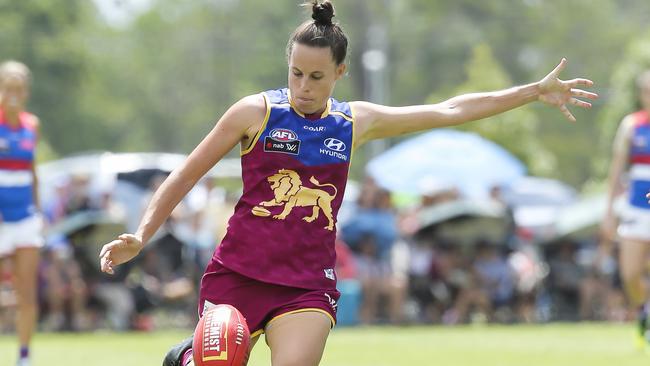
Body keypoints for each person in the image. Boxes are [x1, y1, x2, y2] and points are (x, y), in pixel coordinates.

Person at [99, 1, 597, 365]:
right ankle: (187, 357)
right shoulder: (255, 112)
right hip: (238, 274)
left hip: (307, 284)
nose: (304, 87)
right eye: (296, 73)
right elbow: (185, 176)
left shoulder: (355, 122)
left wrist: (533, 91)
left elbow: (450, 109)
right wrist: (141, 235)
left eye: (317, 76)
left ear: (339, 71)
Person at [0, 60, 43, 366]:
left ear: (25, 91)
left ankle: (23, 357)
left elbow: (32, 171)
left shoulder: (32, 125)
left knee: (26, 291)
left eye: (18, 87)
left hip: (25, 218)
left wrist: (39, 212)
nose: (13, 92)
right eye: (7, 85)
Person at [604, 70, 650, 348]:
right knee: (630, 274)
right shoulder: (632, 125)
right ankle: (644, 311)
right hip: (635, 208)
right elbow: (616, 170)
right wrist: (608, 211)